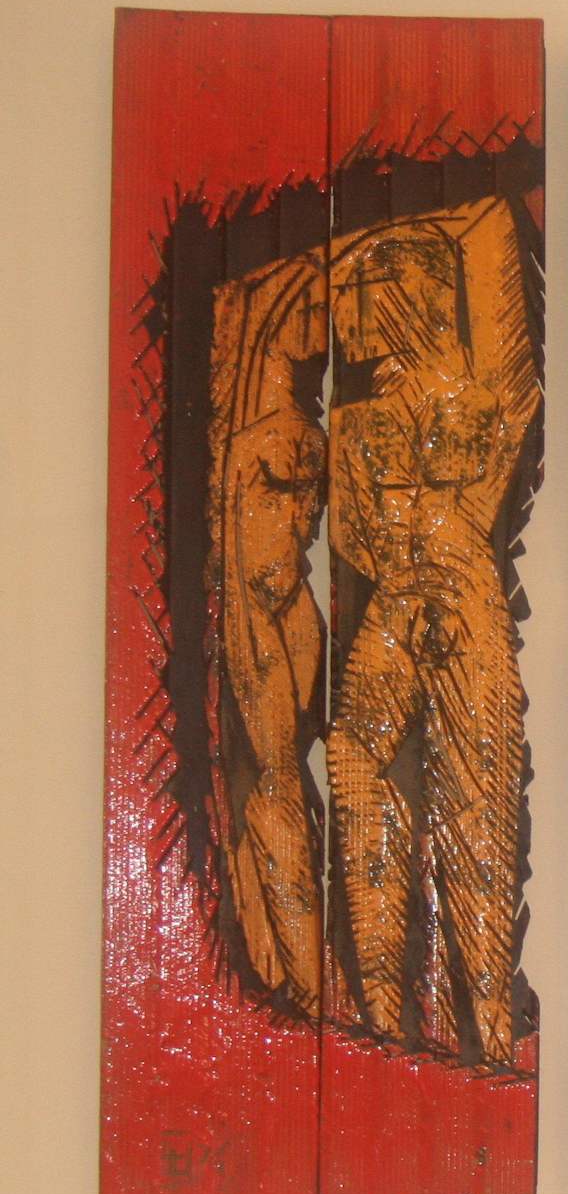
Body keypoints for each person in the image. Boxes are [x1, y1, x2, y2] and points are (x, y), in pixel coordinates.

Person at [327, 199, 537, 1066]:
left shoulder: (481, 399)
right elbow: (350, 530)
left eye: (382, 292)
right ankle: (383, 1002)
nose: (365, 316)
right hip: (403, 594)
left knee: (475, 797)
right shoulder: (358, 420)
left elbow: (479, 499)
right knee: (356, 764)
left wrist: (428, 566)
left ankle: (485, 1015)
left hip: (457, 591)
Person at [211, 251, 328, 1015]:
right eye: (307, 314)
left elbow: (275, 548)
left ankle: (309, 976)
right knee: (276, 779)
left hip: (276, 607)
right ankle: (302, 972)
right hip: (265, 606)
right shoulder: (274, 440)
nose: (320, 329)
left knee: (282, 780)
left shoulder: (281, 438)